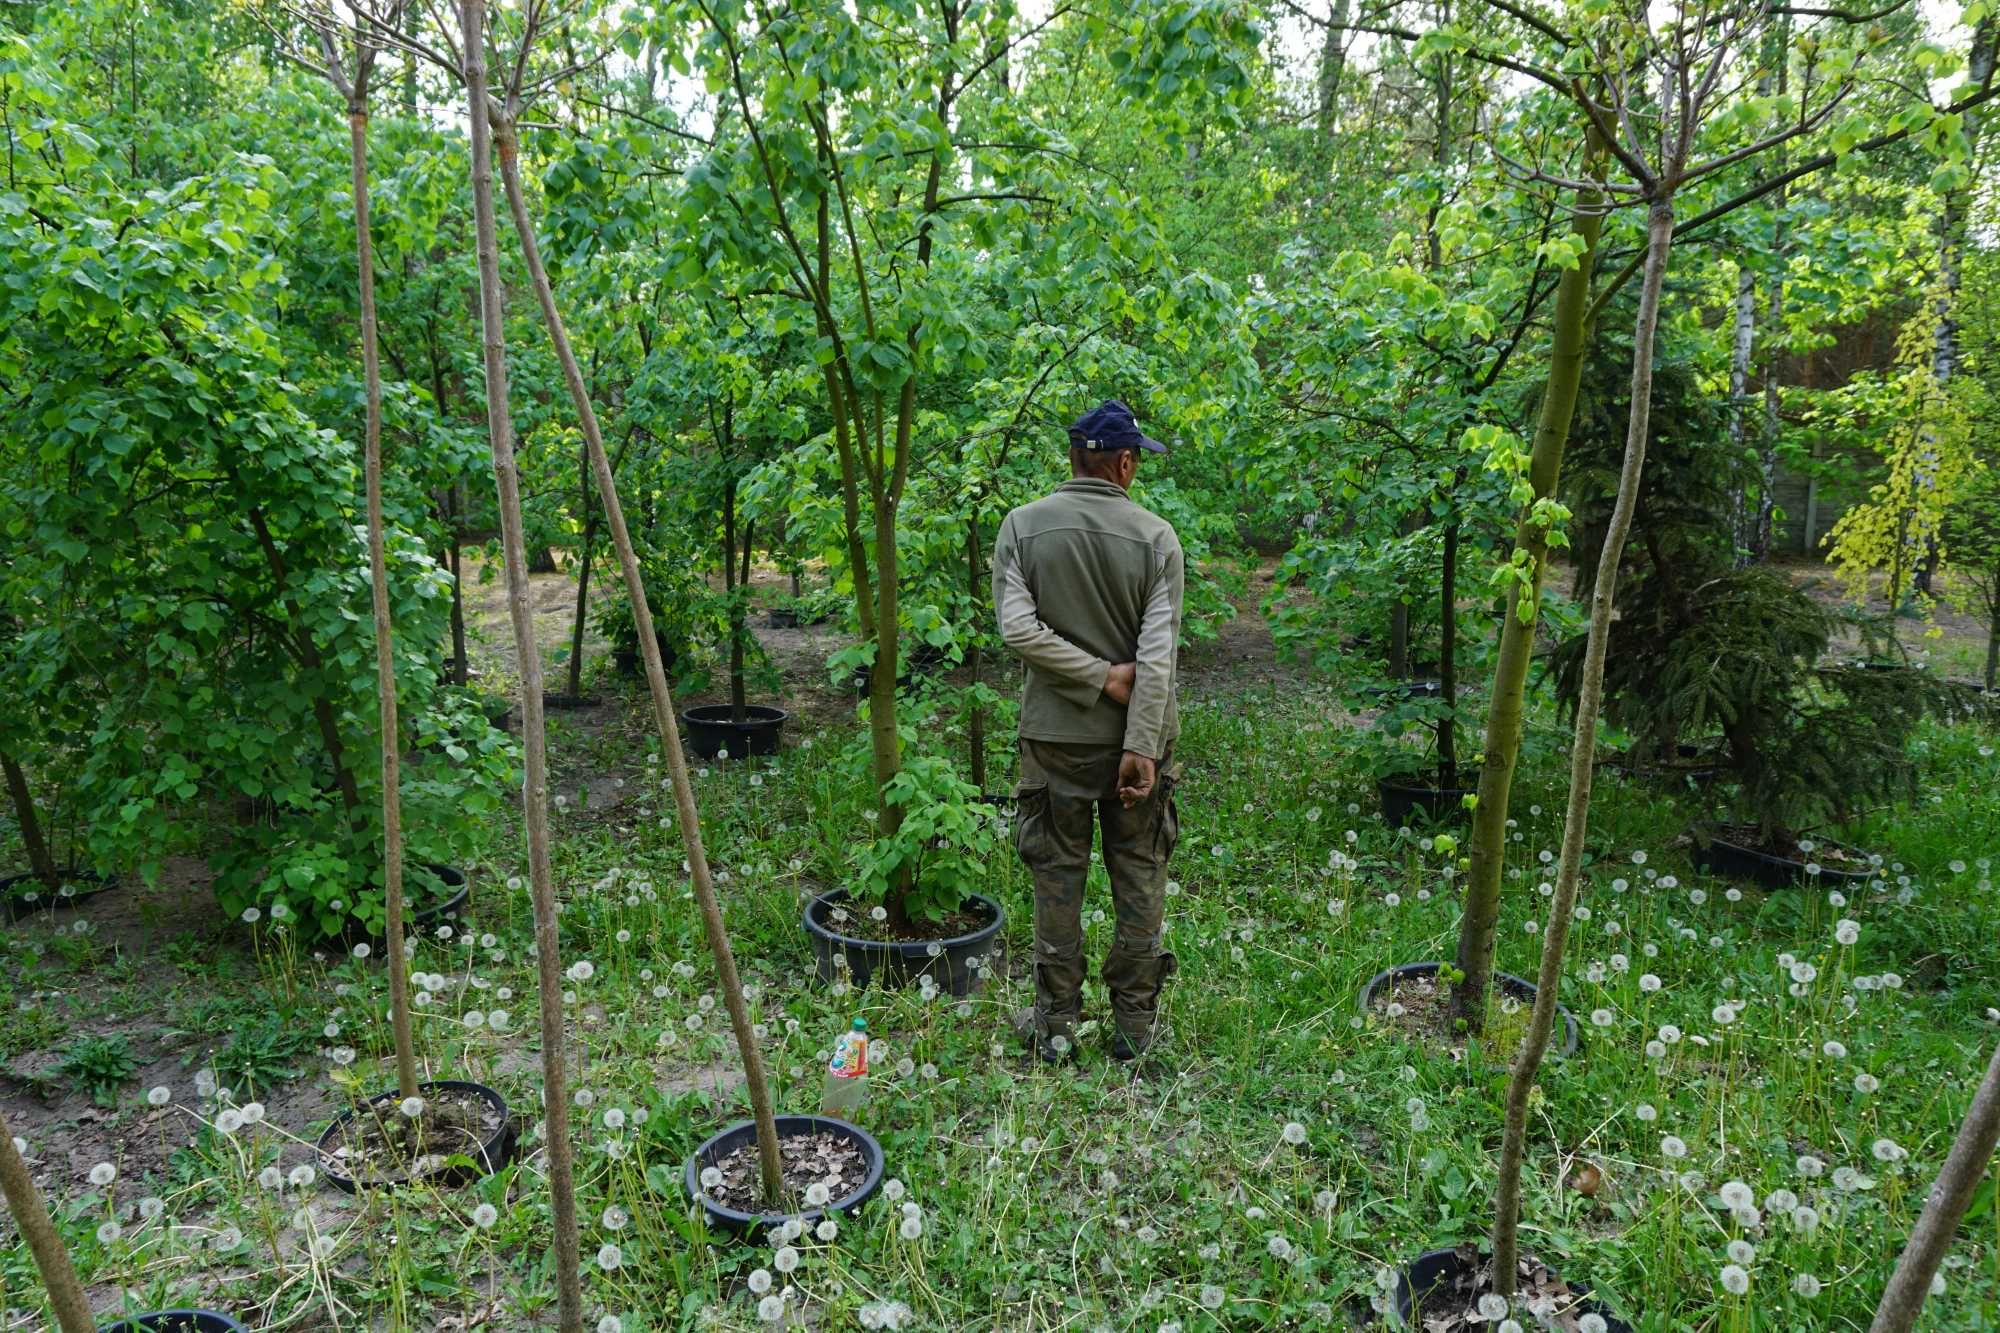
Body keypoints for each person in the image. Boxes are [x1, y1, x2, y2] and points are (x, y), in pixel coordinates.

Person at [993, 399, 1184, 1062]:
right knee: (1139, 872)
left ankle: (1054, 1027)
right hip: (1140, 744)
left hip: (1055, 741)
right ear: (1125, 462)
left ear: (1073, 457)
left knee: (1057, 875)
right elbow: (1157, 654)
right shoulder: (1158, 538)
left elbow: (1017, 629)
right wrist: (1138, 743)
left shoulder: (1021, 527)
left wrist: (1093, 675)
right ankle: (1134, 1025)